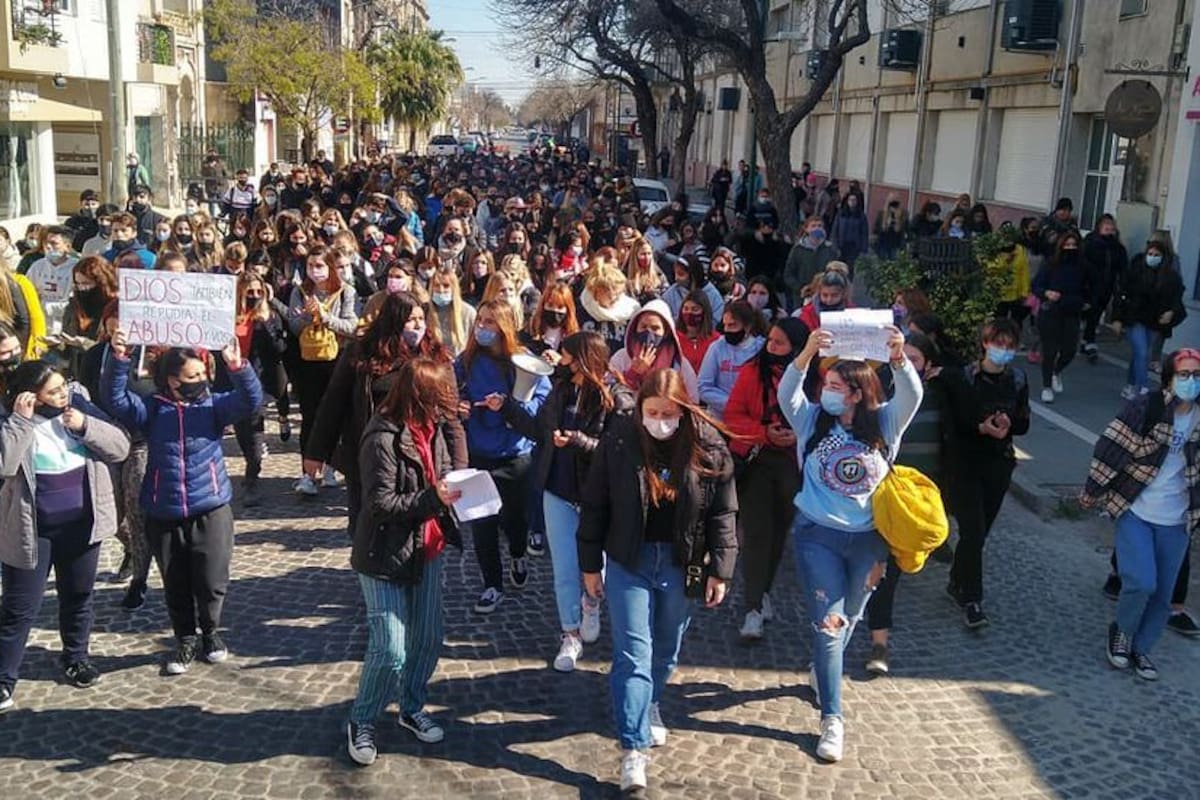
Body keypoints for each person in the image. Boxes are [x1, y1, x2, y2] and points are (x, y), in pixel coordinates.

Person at [577, 367, 737, 794]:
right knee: (633, 652)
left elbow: (723, 512)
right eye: (653, 412)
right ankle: (633, 748)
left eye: (670, 413)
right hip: (629, 558)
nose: (661, 421)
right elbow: (595, 505)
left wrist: (720, 568)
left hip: (681, 562)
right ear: (640, 410)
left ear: (683, 410)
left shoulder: (708, 445)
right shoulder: (619, 441)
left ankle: (650, 704)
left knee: (666, 648)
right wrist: (590, 565)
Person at [777, 322, 921, 763]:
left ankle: (824, 668)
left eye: (838, 386)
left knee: (852, 614)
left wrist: (898, 357)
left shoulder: (884, 422)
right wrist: (804, 355)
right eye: (826, 384)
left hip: (868, 542)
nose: (828, 392)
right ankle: (832, 717)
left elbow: (912, 396)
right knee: (828, 623)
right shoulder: (812, 419)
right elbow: (788, 395)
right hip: (817, 536)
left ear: (857, 393)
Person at [103, 330, 262, 675]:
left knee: (211, 579)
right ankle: (185, 639)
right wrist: (118, 359)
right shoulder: (151, 409)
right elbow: (115, 400)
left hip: (211, 507)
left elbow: (250, 401)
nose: (200, 382)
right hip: (164, 509)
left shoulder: (213, 406)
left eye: (203, 375)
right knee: (175, 580)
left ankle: (211, 632)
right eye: (192, 377)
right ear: (172, 380)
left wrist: (238, 367)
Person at [344, 358, 462, 765]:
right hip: (384, 555)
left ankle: (412, 707)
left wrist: (459, 488)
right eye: (439, 399)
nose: (446, 407)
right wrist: (436, 498)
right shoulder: (381, 437)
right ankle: (362, 718)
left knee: (428, 638)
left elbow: (444, 470)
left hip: (427, 547)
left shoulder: (434, 428)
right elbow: (378, 504)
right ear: (420, 397)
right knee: (390, 648)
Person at [0, 360, 129, 711]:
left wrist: (86, 426)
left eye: (64, 386)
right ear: (32, 396)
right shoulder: (13, 421)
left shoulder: (78, 408)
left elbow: (120, 447)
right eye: (54, 391)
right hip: (32, 530)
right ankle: (4, 677)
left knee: (78, 596)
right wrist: (19, 422)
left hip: (81, 526)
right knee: (19, 607)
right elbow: (5, 464)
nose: (63, 394)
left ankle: (76, 658)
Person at [500, 332, 629, 672]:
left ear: (583, 358)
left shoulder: (616, 396)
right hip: (557, 489)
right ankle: (569, 633)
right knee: (564, 569)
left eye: (566, 355)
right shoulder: (560, 391)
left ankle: (591, 602)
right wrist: (508, 408)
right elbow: (538, 430)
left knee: (594, 564)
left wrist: (577, 441)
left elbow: (617, 449)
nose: (560, 360)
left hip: (596, 496)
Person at [305, 291, 467, 537]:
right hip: (372, 452)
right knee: (367, 524)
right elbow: (333, 404)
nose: (418, 325)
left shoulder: (436, 357)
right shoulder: (360, 353)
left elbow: (450, 418)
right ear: (393, 320)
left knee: (419, 523)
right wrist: (316, 452)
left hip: (421, 455)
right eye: (411, 319)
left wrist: (459, 467)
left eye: (422, 319)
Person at [1081, 349, 1200, 681]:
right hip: (1136, 509)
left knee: (1164, 594)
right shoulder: (1147, 407)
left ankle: (1141, 649)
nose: (1192, 381)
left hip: (1177, 521)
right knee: (1141, 582)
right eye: (1185, 374)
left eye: (1197, 374)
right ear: (1169, 378)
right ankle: (1121, 631)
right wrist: (1093, 488)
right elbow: (1111, 445)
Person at [455, 300, 550, 615]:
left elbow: (541, 403)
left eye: (490, 323)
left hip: (515, 455)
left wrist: (509, 407)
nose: (481, 327)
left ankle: (518, 551)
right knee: (482, 523)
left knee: (514, 518)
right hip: (478, 454)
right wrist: (460, 406)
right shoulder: (466, 361)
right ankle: (492, 584)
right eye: (479, 321)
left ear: (504, 327)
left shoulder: (522, 360)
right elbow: (450, 392)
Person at [725, 318, 808, 641]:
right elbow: (733, 416)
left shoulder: (812, 378)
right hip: (757, 460)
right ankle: (753, 607)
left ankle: (763, 591)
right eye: (770, 340)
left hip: (792, 465)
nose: (771, 347)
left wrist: (796, 435)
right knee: (758, 535)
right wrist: (764, 434)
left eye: (779, 343)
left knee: (778, 535)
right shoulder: (751, 371)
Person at [946, 319, 1030, 629]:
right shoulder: (965, 378)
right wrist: (980, 426)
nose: (1003, 351)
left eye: (1009, 346)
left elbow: (1024, 422)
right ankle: (973, 599)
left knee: (979, 534)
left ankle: (956, 581)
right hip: (966, 463)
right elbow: (955, 422)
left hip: (999, 463)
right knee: (973, 531)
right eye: (999, 344)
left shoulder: (1018, 379)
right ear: (985, 343)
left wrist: (1007, 423)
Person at [288, 246, 359, 496]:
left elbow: (351, 326)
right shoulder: (300, 291)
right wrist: (309, 317)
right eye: (310, 266)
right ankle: (308, 473)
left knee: (338, 415)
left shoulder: (346, 292)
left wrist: (326, 317)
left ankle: (331, 464)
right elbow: (294, 325)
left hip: (337, 359)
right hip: (308, 362)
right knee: (310, 416)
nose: (315, 271)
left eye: (320, 266)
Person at [1112, 239, 1185, 399]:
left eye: (1156, 255)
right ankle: (1142, 388)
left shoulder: (1170, 277)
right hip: (1134, 317)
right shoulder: (1135, 271)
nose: (1152, 257)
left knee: (1139, 353)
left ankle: (1130, 385)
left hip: (1155, 320)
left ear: (1163, 257)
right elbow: (1121, 293)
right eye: (1150, 254)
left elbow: (1177, 297)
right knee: (1143, 352)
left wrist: (1171, 312)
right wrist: (1117, 318)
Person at [1031, 231, 1090, 403]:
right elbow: (1036, 285)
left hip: (1072, 311)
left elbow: (1090, 287)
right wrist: (1047, 293)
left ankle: (1057, 371)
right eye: (1067, 245)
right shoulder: (1051, 264)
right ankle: (1047, 385)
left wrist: (1087, 302)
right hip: (1051, 311)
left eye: (1073, 245)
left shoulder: (1083, 266)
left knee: (1070, 349)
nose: (1070, 248)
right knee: (1049, 350)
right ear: (1061, 246)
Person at [610, 299, 700, 400]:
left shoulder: (679, 364)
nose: (648, 332)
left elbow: (693, 399)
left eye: (655, 328)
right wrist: (633, 373)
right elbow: (610, 392)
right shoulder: (622, 357)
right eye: (643, 327)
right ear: (635, 328)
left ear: (666, 332)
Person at [697, 301, 765, 420]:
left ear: (747, 326)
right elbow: (703, 386)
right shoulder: (717, 347)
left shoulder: (761, 348)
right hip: (720, 418)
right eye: (725, 325)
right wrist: (733, 404)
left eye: (732, 325)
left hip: (752, 417)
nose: (727, 330)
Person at [1080, 214, 1128, 363]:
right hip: (1089, 285)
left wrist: (1120, 286)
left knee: (1096, 313)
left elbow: (1122, 268)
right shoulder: (1090, 242)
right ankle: (1087, 340)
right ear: (1099, 226)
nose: (1109, 229)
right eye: (1106, 226)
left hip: (1106, 285)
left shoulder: (1117, 248)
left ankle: (1088, 340)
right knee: (1088, 312)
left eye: (1111, 226)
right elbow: (1082, 262)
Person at [576, 263, 641, 356]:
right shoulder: (582, 309)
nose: (617, 298)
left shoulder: (631, 311)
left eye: (620, 293)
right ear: (597, 292)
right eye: (612, 295)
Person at [25, 227, 78, 334]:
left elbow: (76, 302)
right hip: (42, 324)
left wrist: (47, 306)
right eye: (46, 243)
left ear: (67, 247)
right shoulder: (37, 266)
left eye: (54, 243)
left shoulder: (76, 267)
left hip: (66, 326)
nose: (49, 247)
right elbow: (27, 292)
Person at [783, 217, 839, 307]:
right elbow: (788, 275)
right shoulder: (798, 249)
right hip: (803, 296)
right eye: (813, 226)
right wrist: (800, 288)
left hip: (825, 296)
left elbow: (837, 272)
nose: (817, 228)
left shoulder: (830, 249)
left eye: (820, 226)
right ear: (806, 229)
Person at [427, 264, 476, 356]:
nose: (441, 290)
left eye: (446, 286)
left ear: (454, 288)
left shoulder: (468, 312)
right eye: (436, 285)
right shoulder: (425, 311)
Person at [661, 255, 724, 322]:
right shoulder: (672, 292)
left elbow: (717, 320)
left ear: (693, 275)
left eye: (681, 274)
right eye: (675, 274)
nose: (676, 278)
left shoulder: (712, 294)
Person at [675, 290, 718, 375]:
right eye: (686, 309)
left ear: (704, 312)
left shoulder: (716, 340)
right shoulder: (674, 338)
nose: (689, 313)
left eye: (695, 309)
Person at [831, 194, 869, 269]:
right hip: (841, 245)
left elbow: (864, 232)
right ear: (847, 201)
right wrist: (834, 245)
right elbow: (835, 230)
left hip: (854, 246)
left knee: (850, 267)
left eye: (854, 200)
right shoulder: (841, 213)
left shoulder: (861, 215)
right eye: (850, 200)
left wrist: (864, 248)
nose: (852, 202)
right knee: (838, 267)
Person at [873, 196, 908, 260]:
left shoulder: (903, 215)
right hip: (883, 243)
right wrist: (885, 223)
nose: (893, 208)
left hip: (896, 245)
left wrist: (898, 219)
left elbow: (902, 230)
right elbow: (875, 229)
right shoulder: (882, 213)